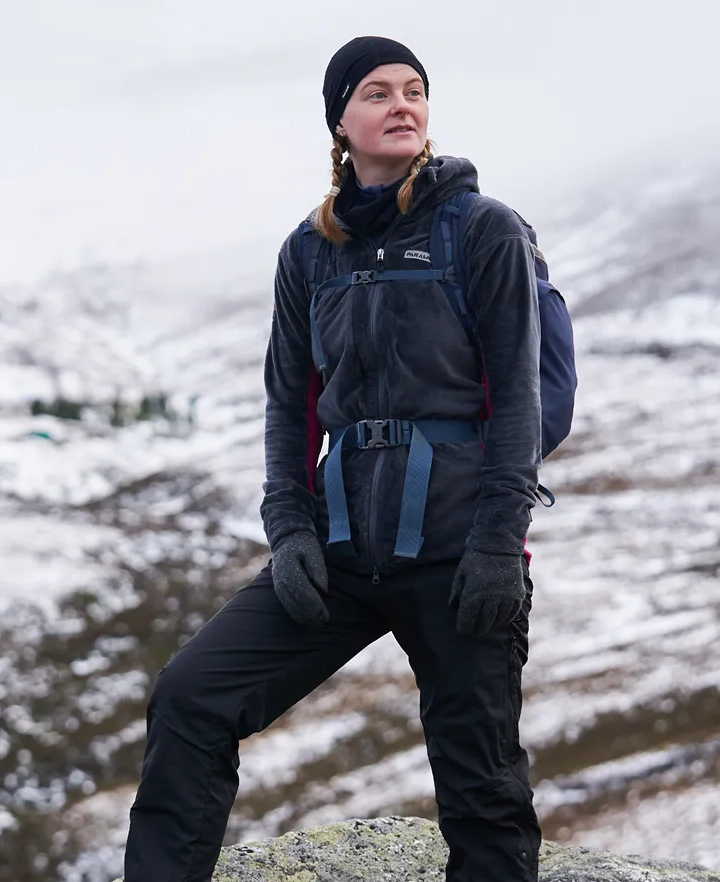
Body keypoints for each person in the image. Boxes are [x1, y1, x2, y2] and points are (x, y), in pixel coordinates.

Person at [124, 35, 568, 882]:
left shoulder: (483, 230)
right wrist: (288, 529)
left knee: (481, 789)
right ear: (340, 121)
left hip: (456, 555)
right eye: (377, 93)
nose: (402, 104)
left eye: (414, 91)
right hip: (337, 554)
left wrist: (494, 545)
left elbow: (518, 398)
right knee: (191, 695)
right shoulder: (309, 251)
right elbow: (288, 404)